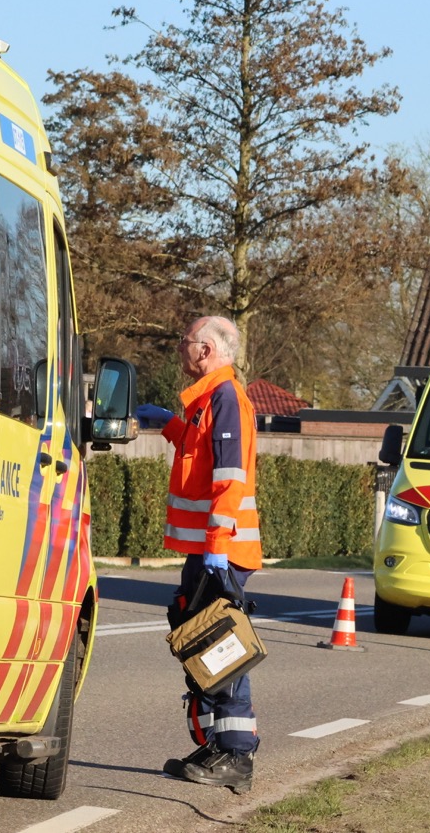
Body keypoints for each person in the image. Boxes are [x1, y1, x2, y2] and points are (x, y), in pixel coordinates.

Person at [135, 315, 262, 793]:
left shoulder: (225, 397)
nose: (179, 348)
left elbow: (229, 478)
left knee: (221, 645)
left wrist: (217, 548)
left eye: (184, 341)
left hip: (221, 550)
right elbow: (199, 452)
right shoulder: (209, 399)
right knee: (204, 643)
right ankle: (217, 746)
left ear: (205, 349)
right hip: (210, 549)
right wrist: (169, 423)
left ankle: (236, 754)